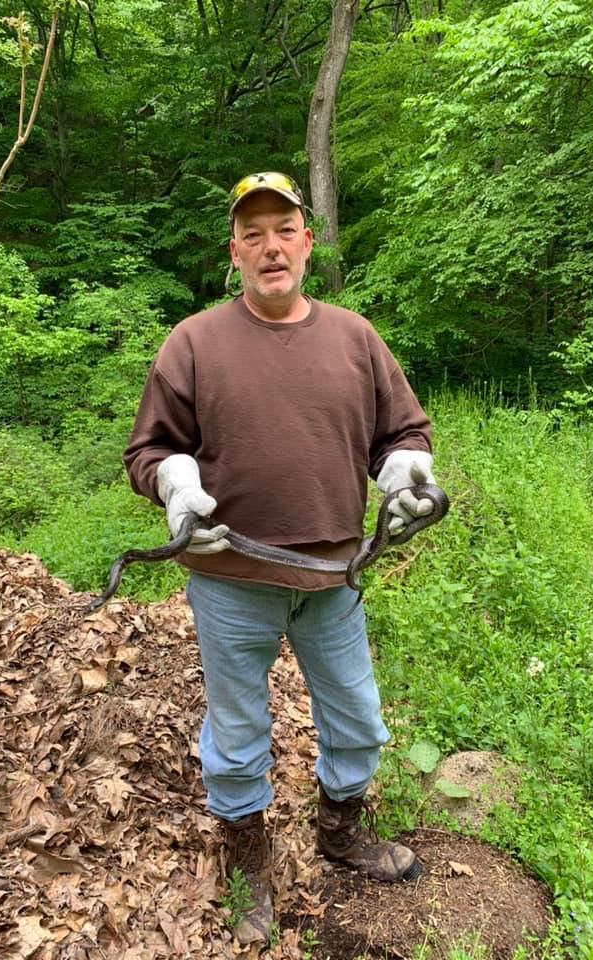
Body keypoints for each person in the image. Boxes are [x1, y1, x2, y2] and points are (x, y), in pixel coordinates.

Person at [124, 171, 436, 945]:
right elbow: (148, 449)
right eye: (252, 234)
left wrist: (403, 469)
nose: (270, 246)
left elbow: (403, 432)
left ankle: (340, 832)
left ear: (306, 240)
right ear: (235, 252)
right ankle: (249, 859)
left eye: (284, 229)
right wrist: (173, 480)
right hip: (232, 579)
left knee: (359, 720)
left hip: (334, 579)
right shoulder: (193, 341)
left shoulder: (355, 336)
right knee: (237, 730)